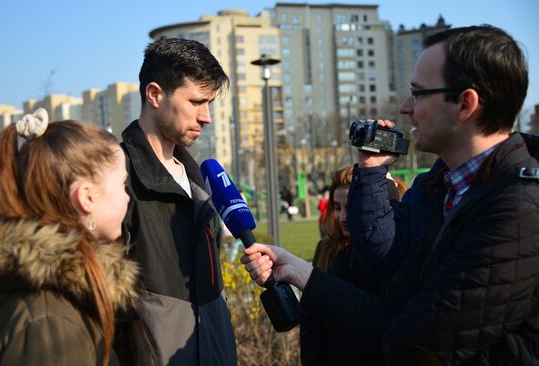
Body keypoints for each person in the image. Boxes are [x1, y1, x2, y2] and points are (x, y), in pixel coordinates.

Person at [242, 25, 539, 365]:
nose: (403, 107)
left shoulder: (519, 211)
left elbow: (412, 343)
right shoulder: (440, 190)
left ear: (465, 104)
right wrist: (296, 270)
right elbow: (386, 310)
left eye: (417, 93)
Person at [0, 109, 141, 365]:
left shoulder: (55, 298)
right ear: (87, 197)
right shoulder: (49, 324)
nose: (128, 196)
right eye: (122, 185)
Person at [119, 37, 236, 366]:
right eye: (197, 101)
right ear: (154, 94)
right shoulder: (115, 179)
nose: (206, 117)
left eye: (209, 103)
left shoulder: (199, 180)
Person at [300, 165, 406, 365]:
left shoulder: (391, 248)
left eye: (352, 207)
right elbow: (312, 323)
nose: (342, 218)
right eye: (337, 208)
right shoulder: (326, 249)